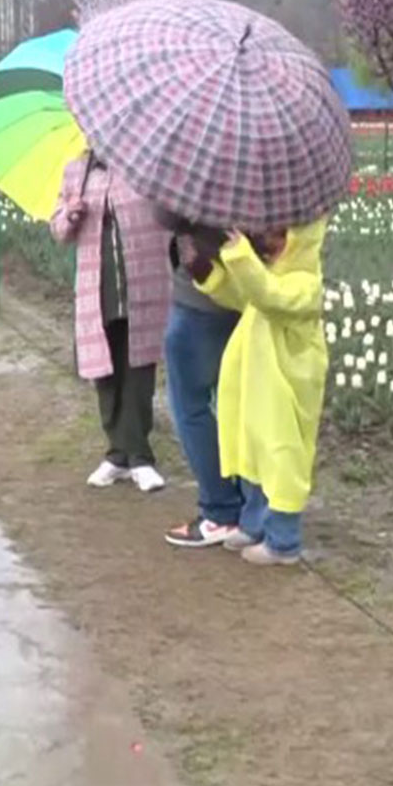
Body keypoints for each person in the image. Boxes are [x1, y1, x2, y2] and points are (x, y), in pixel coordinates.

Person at [194, 221, 329, 566]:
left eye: (281, 236)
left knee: (281, 459)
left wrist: (239, 253)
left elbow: (269, 296)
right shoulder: (270, 272)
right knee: (254, 456)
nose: (270, 241)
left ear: (303, 241)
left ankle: (283, 542)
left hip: (284, 392)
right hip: (257, 388)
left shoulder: (305, 284)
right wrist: (208, 273)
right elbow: (244, 296)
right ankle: (254, 524)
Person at [50, 153, 171, 492]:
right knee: (104, 370)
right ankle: (117, 454)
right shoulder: (77, 171)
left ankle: (140, 457)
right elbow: (58, 229)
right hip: (97, 285)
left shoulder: (144, 165)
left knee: (138, 366)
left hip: (141, 281)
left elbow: (165, 217)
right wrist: (70, 215)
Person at [162, 227, 245, 548]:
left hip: (200, 300)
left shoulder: (202, 180)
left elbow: (164, 212)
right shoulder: (269, 181)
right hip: (247, 298)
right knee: (236, 406)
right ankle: (252, 507)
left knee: (190, 407)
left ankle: (221, 510)